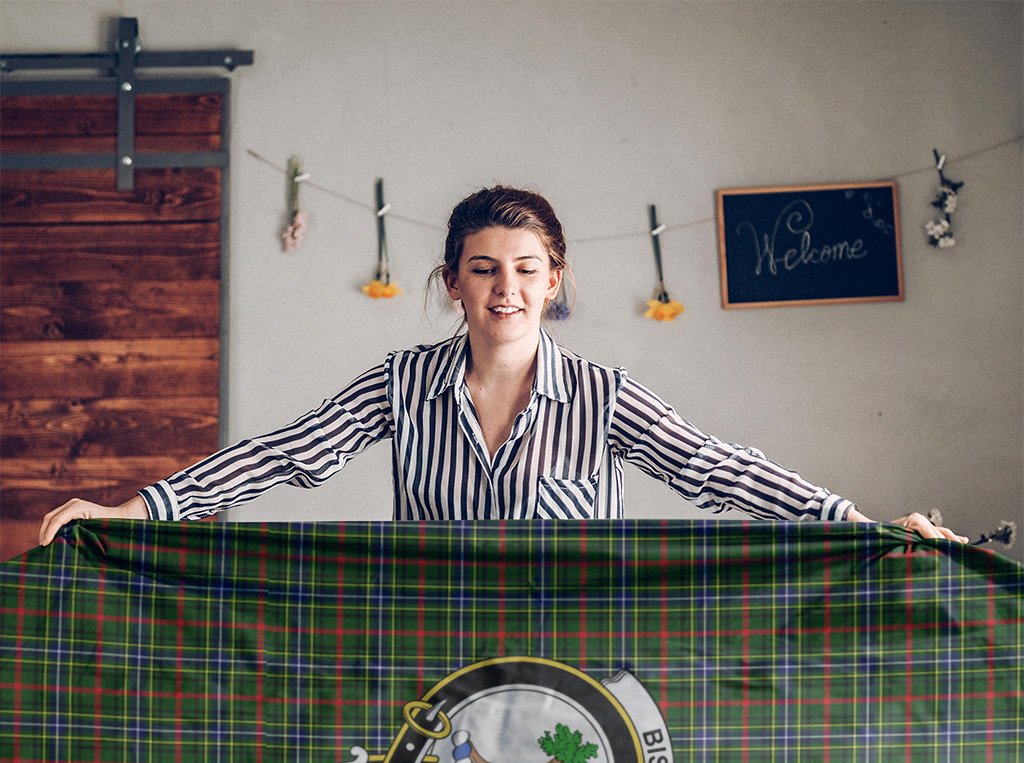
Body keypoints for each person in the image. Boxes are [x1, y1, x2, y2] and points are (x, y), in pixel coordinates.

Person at [39, 185, 967, 546]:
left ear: (555, 281)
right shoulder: (400, 383)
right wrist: (133, 511)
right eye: (484, 270)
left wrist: (863, 524)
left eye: (527, 271)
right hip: (431, 664)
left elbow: (719, 468)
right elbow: (283, 456)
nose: (506, 289)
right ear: (453, 283)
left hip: (580, 667)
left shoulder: (604, 397)